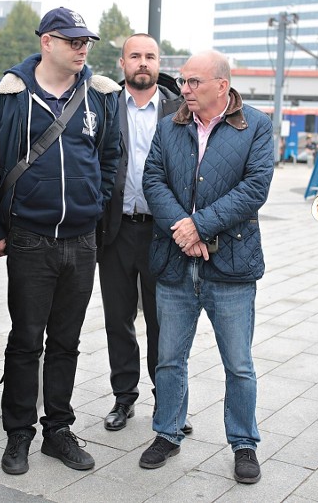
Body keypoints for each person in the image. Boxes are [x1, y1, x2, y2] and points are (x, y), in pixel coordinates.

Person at [0, 7, 120, 475]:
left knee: (67, 342)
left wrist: (93, 206)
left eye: (86, 42)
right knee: (26, 340)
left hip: (82, 239)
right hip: (30, 238)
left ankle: (58, 429)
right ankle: (19, 434)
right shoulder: (6, 94)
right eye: (73, 41)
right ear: (47, 42)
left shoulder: (98, 96)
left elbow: (109, 161)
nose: (82, 49)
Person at [139, 50, 273, 484]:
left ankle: (244, 443)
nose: (185, 89)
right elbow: (153, 179)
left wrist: (197, 226)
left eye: (194, 82)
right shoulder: (170, 125)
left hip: (231, 263)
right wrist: (183, 230)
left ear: (222, 84)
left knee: (238, 363)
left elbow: (255, 188)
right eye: (183, 81)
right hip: (175, 262)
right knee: (168, 359)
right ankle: (167, 432)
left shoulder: (256, 125)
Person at [97, 33, 191, 433]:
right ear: (122, 63)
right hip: (115, 229)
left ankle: (166, 400)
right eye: (134, 56)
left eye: (149, 56)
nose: (142, 63)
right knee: (118, 319)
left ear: (158, 62)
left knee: (163, 321)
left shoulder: (178, 108)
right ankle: (124, 397)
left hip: (162, 230)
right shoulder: (103, 105)